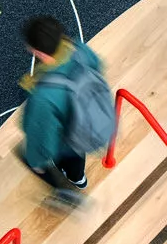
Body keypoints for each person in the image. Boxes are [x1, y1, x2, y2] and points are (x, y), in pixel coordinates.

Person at [17, 14, 116, 194]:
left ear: (38, 53)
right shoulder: (78, 49)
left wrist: (36, 162)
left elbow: (42, 135)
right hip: (88, 122)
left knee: (65, 156)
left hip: (67, 139)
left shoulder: (44, 95)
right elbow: (97, 65)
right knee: (77, 157)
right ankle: (79, 178)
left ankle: (70, 185)